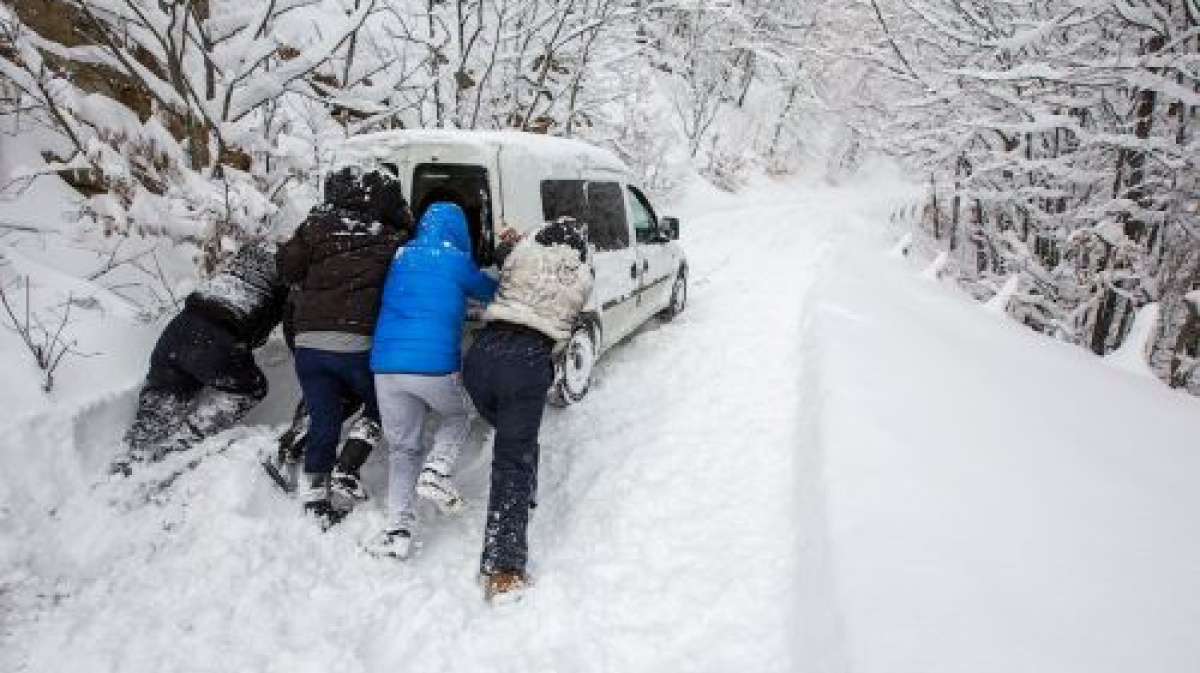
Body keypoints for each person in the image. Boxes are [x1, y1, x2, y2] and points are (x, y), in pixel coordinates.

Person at [461, 216, 593, 601]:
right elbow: (565, 288)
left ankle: (522, 492)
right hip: (526, 361)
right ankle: (504, 570)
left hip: (482, 357)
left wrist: (515, 239)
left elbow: (508, 254)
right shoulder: (583, 277)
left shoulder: (519, 254)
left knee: (513, 441)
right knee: (512, 459)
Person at [276, 166, 411, 528]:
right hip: (356, 344)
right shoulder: (388, 237)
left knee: (325, 417)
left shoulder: (316, 227)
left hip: (309, 344)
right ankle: (347, 466)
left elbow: (287, 268)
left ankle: (315, 495)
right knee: (381, 404)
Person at [364, 201, 498, 559]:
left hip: (387, 366)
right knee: (458, 414)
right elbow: (491, 293)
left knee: (402, 449)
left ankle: (398, 531)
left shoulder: (400, 256)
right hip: (432, 363)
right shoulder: (454, 258)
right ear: (460, 232)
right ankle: (437, 470)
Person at [112, 239, 289, 475]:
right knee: (252, 388)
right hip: (219, 339)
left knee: (162, 401)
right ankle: (186, 440)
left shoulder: (242, 261)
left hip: (177, 332)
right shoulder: (288, 277)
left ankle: (129, 458)